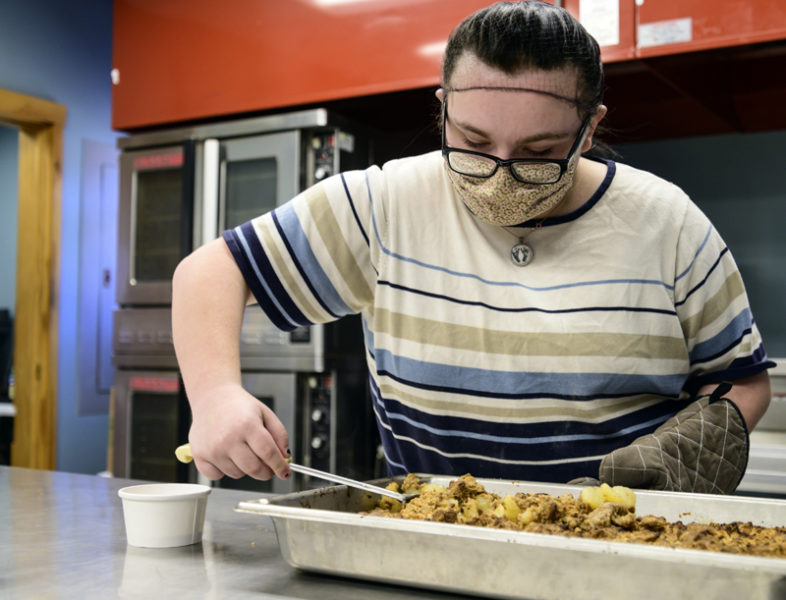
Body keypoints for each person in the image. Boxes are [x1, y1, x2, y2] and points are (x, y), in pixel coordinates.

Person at [172, 0, 774, 494]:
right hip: (433, 538)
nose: (500, 173)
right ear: (443, 109)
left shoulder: (668, 224)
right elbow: (209, 272)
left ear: (589, 130)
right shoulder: (385, 204)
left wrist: (689, 450)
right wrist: (216, 393)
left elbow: (742, 381)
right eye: (473, 140)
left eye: (538, 153)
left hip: (620, 546)